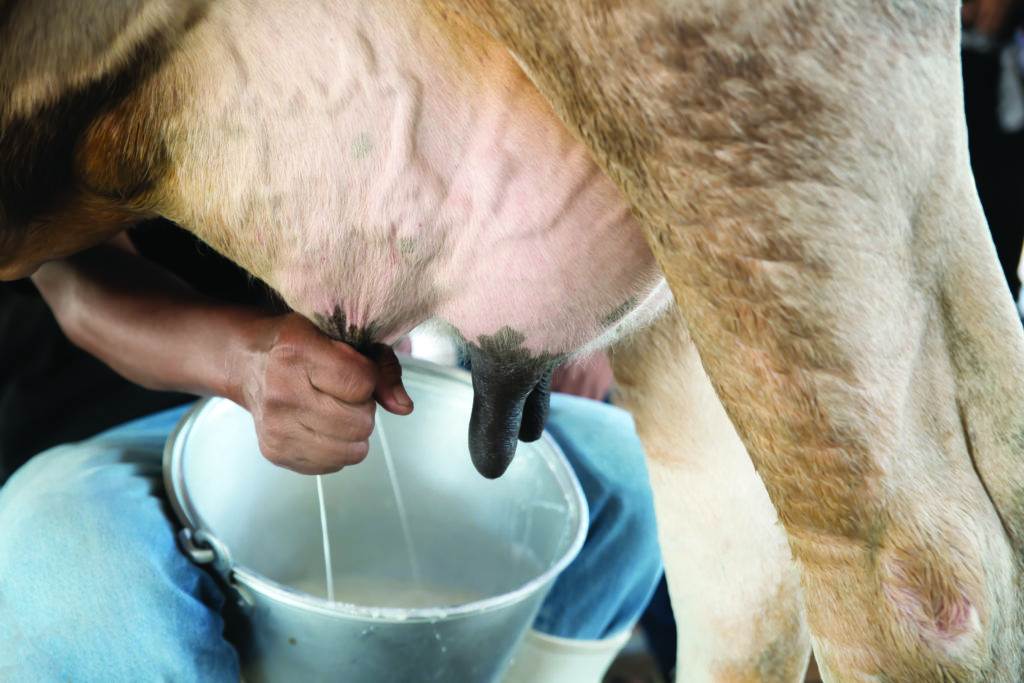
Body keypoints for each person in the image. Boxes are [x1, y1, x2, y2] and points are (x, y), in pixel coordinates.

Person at [0, 219, 661, 682]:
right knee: (76, 577)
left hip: (354, 388)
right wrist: (246, 361)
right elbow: (79, 285)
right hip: (122, 408)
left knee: (626, 477)